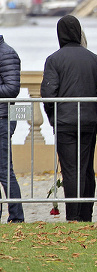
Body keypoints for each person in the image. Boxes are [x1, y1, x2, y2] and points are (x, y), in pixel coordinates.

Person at [40, 15, 97, 222]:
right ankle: (86, 214)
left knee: (71, 170)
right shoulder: (94, 59)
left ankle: (73, 215)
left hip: (65, 123)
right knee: (86, 169)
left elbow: (48, 95)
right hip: (87, 122)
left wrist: (54, 119)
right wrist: (90, 112)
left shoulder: (54, 60)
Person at [0, 34, 23, 223]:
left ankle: (16, 217)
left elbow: (12, 88)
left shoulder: (7, 53)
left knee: (5, 171)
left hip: (2, 119)